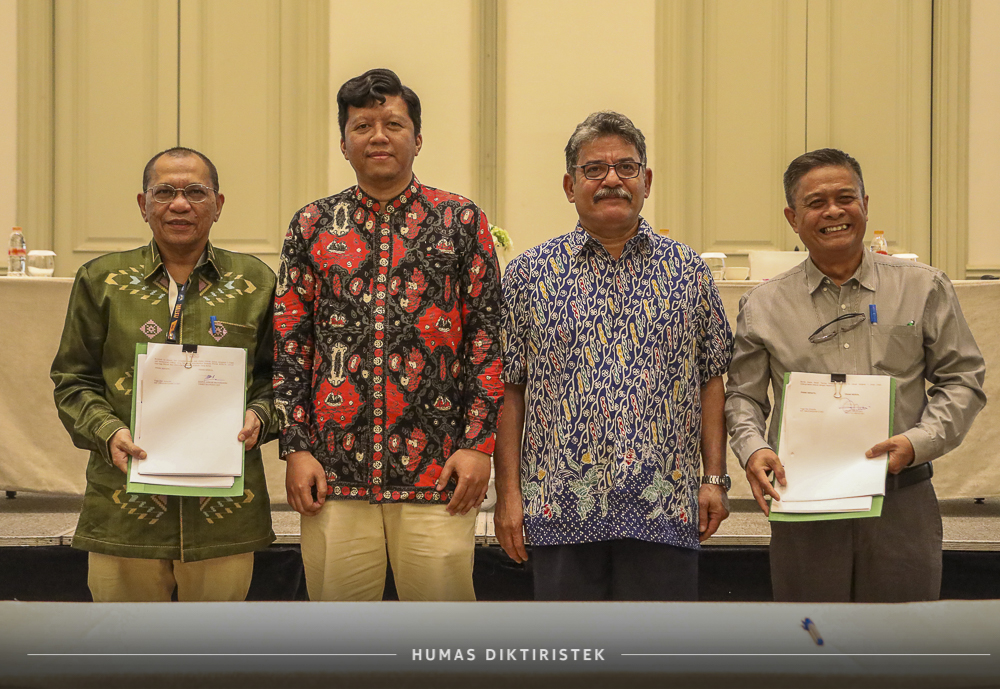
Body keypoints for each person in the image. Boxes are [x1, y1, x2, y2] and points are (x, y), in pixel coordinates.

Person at [274, 68, 503, 601]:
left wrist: (478, 446)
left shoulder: (460, 221)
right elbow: (289, 345)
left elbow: (488, 341)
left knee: (441, 630)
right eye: (362, 126)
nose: (378, 136)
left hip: (439, 473)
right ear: (343, 143)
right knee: (341, 633)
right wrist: (296, 448)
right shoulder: (311, 225)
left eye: (393, 124)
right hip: (333, 473)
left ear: (417, 139)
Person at [725, 148, 986, 602]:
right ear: (792, 218)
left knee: (901, 638)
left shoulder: (924, 287)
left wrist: (918, 442)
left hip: (901, 500)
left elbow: (962, 379)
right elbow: (743, 396)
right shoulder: (763, 305)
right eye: (816, 203)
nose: (833, 211)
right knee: (810, 636)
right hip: (804, 503)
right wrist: (754, 448)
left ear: (865, 204)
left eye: (845, 198)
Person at [494, 111, 734, 601]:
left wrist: (714, 479)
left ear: (646, 181)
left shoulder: (688, 271)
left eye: (626, 167)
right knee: (571, 645)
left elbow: (712, 380)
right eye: (594, 169)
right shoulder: (527, 275)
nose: (611, 180)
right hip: (558, 510)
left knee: (659, 647)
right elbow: (509, 389)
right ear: (570, 185)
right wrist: (509, 494)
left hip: (664, 509)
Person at [50, 146, 277, 602]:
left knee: (212, 644)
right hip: (124, 510)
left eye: (196, 192)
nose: (180, 204)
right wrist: (108, 430)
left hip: (223, 513)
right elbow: (73, 380)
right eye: (164, 192)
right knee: (127, 643)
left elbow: (281, 379)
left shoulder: (256, 282)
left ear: (218, 204)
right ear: (143, 204)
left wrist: (261, 415)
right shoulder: (101, 280)